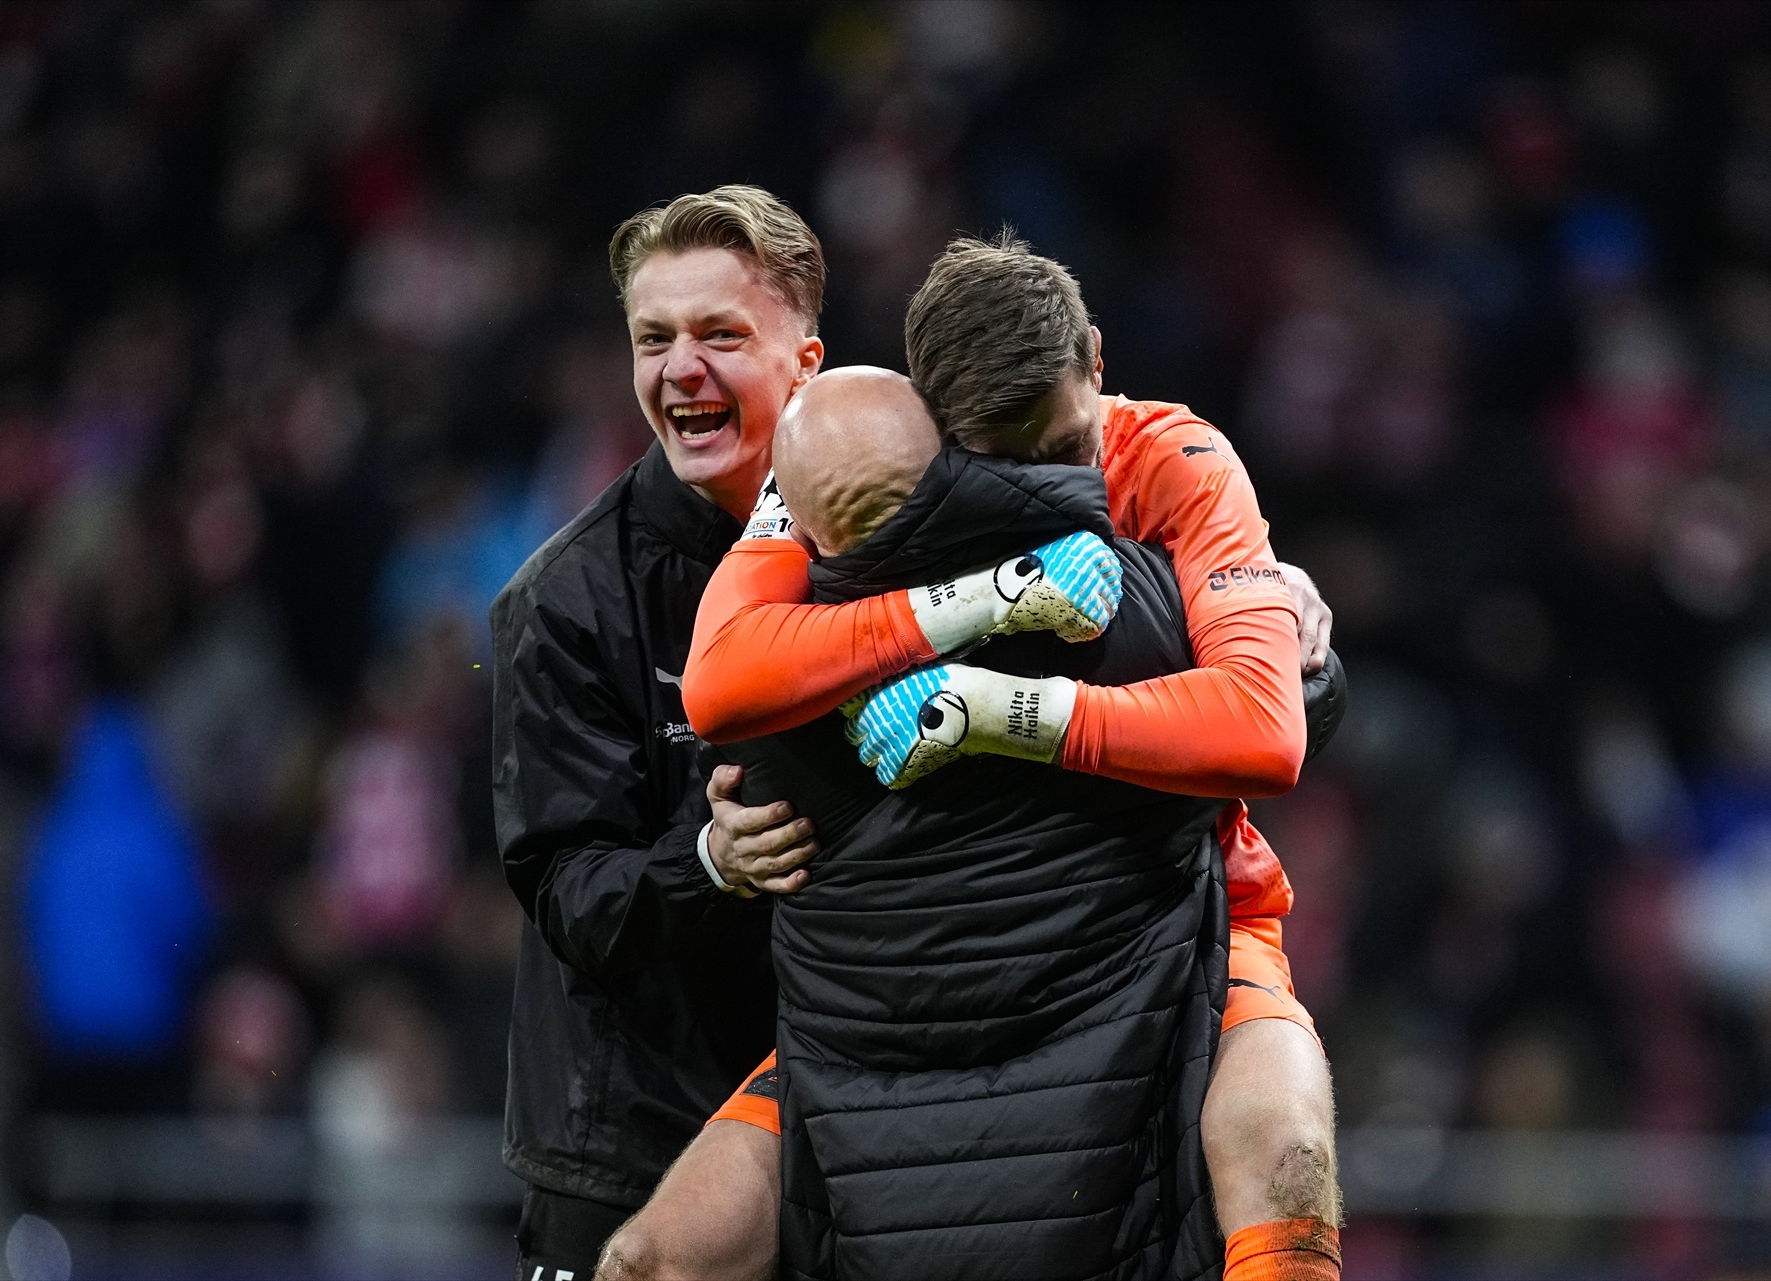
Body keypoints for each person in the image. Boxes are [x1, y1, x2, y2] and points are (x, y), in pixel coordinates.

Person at [615, 235, 1342, 1281]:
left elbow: (1265, 733)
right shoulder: (861, 462)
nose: (1056, 489)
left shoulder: (1175, 458)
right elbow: (721, 680)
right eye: (1007, 468)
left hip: (1179, 927)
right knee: (650, 1258)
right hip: (903, 980)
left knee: (1289, 1154)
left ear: (1095, 360)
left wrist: (1001, 708)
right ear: (937, 428)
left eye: (1067, 446)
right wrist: (969, 602)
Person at [730, 367, 1233, 1275]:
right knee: (1286, 1157)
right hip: (1100, 1141)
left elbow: (715, 695)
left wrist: (712, 850)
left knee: (654, 1253)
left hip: (877, 1164)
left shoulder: (771, 720)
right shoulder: (1131, 607)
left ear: (802, 532)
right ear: (954, 471)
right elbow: (1272, 726)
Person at [491, 185, 832, 1280]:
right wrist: (708, 863)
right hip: (632, 1161)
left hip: (846, 1138)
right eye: (654, 339)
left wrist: (1263, 592)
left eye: (720, 335)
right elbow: (568, 890)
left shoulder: (890, 546)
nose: (680, 368)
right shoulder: (567, 603)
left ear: (807, 362)